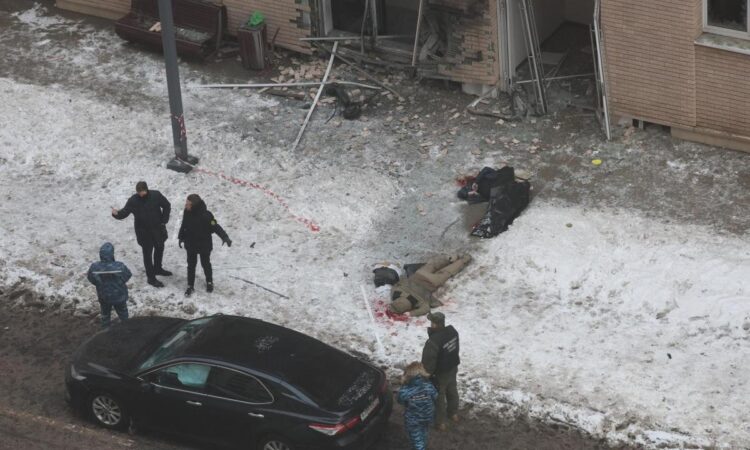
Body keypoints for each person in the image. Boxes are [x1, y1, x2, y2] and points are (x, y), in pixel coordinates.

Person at [111, 181, 172, 288]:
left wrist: (164, 220)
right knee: (147, 255)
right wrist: (116, 214)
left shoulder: (156, 195)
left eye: (142, 192)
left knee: (160, 248)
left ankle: (158, 268)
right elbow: (124, 213)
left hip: (158, 229)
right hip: (144, 233)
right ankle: (151, 278)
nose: (141, 194)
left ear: (147, 189)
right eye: (139, 192)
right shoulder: (133, 200)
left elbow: (167, 205)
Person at [178, 194, 232, 297]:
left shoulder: (206, 215)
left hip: (204, 244)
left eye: (188, 204)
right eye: (186, 203)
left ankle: (209, 282)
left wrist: (225, 237)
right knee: (191, 266)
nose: (186, 205)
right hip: (191, 244)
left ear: (194, 205)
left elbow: (215, 226)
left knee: (206, 264)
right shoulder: (187, 212)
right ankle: (190, 286)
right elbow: (184, 225)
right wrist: (181, 237)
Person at [389, 254, 472, 316]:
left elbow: (426, 309)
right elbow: (396, 285)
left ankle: (464, 260)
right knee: (433, 265)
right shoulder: (396, 293)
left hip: (432, 282)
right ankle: (450, 258)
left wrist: (410, 314)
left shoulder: (417, 302)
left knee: (447, 272)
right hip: (419, 275)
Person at [421, 312, 460, 431]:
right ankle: (453, 414)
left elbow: (428, 362)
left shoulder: (433, 342)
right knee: (452, 390)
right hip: (453, 367)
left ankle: (440, 422)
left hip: (441, 373)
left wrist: (426, 375)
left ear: (434, 324)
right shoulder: (452, 332)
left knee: (439, 397)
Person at [87, 242, 132, 328]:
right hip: (119, 296)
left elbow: (91, 278)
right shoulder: (119, 266)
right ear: (112, 254)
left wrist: (100, 284)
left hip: (104, 297)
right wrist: (119, 283)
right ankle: (126, 328)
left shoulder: (95, 267)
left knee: (105, 314)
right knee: (123, 313)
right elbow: (128, 275)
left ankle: (105, 330)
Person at [397, 362, 438, 450]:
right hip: (427, 416)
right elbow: (435, 396)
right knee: (423, 433)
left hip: (413, 420)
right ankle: (422, 444)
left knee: (416, 440)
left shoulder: (406, 390)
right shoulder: (428, 385)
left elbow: (400, 400)